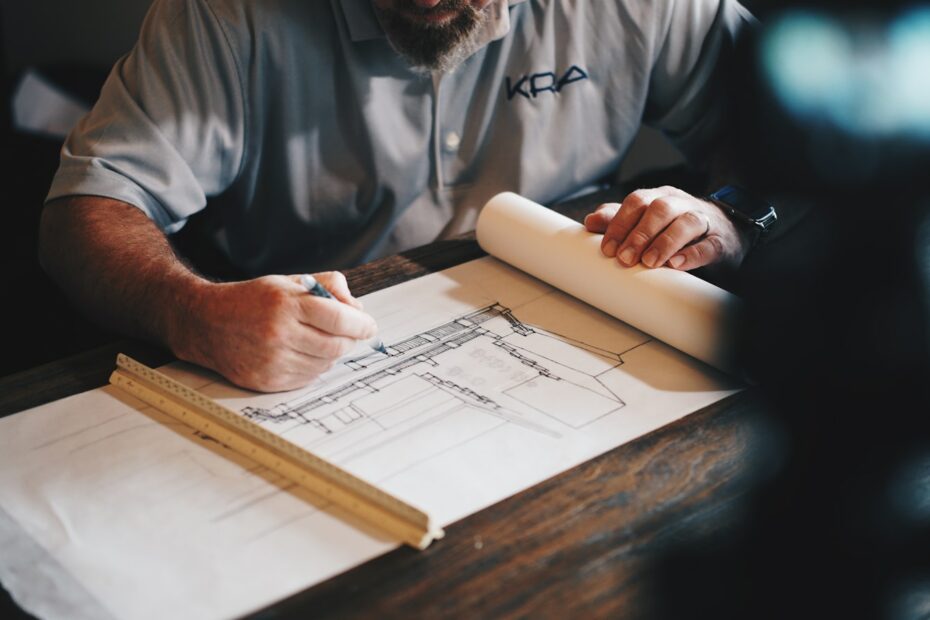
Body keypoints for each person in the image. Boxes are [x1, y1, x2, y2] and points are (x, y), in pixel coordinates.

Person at [39, 0, 755, 391]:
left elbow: (813, 146)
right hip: (316, 357)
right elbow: (86, 211)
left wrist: (729, 215)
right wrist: (189, 311)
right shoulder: (225, 16)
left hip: (594, 347)